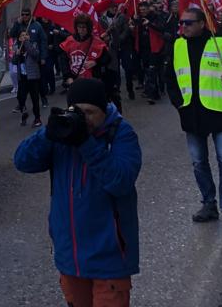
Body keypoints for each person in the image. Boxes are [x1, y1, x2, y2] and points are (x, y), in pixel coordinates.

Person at [14, 78, 142, 307]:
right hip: (69, 254)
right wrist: (47, 133)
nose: (85, 119)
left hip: (110, 256)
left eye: (90, 112)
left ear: (104, 110)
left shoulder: (121, 133)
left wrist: (86, 144)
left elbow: (121, 181)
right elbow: (22, 162)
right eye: (78, 112)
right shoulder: (65, 132)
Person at [165, 7, 222, 236]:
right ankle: (209, 203)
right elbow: (170, 78)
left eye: (188, 23)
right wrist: (178, 102)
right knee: (198, 162)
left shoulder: (219, 44)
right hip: (191, 115)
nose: (183, 27)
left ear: (202, 23)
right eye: (181, 23)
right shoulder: (178, 45)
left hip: (219, 114)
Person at [59, 14, 107, 89]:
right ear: (76, 27)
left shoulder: (96, 41)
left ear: (88, 28)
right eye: (79, 27)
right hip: (75, 80)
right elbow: (63, 60)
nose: (81, 30)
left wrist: (96, 62)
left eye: (84, 27)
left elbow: (107, 58)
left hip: (92, 80)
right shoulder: (69, 41)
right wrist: (68, 77)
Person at [13, 29, 43, 127]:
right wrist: (16, 54)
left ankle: (37, 118)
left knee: (35, 98)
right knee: (21, 98)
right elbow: (14, 61)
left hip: (32, 76)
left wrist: (26, 43)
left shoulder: (33, 44)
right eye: (22, 36)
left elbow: (35, 54)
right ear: (19, 38)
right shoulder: (17, 47)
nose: (24, 37)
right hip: (22, 77)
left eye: (26, 35)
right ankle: (24, 113)